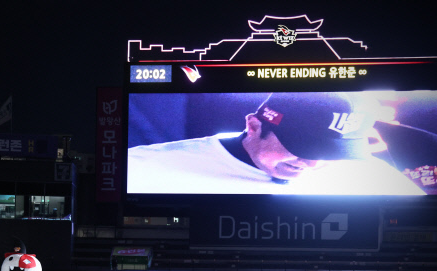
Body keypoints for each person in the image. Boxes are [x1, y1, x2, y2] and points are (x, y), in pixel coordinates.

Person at [128, 92, 426, 195]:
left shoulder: (377, 178)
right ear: (254, 125)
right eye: (303, 147)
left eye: (333, 154)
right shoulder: (144, 167)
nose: (312, 164)